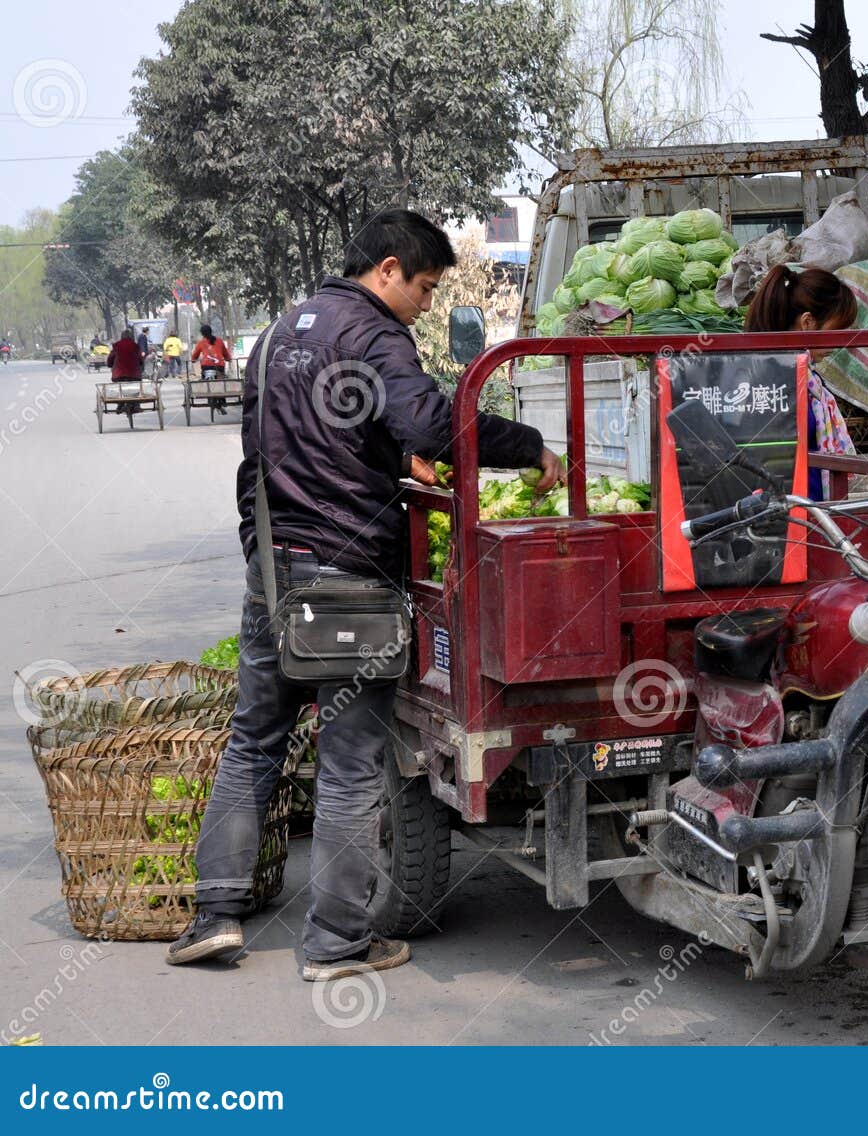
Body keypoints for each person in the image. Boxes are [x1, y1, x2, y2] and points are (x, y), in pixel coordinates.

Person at [169, 210, 564, 980]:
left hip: (277, 575)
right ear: (387, 270)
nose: (424, 303)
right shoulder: (373, 334)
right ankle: (336, 945)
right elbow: (429, 421)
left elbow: (274, 456)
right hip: (350, 580)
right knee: (352, 766)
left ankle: (214, 918)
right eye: (423, 286)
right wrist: (528, 447)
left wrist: (272, 553)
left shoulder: (282, 332)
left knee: (254, 741)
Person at [743, 265, 859, 498]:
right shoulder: (784, 381)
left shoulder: (800, 377)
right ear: (807, 323)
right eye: (835, 332)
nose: (838, 345)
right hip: (795, 518)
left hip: (801, 513)